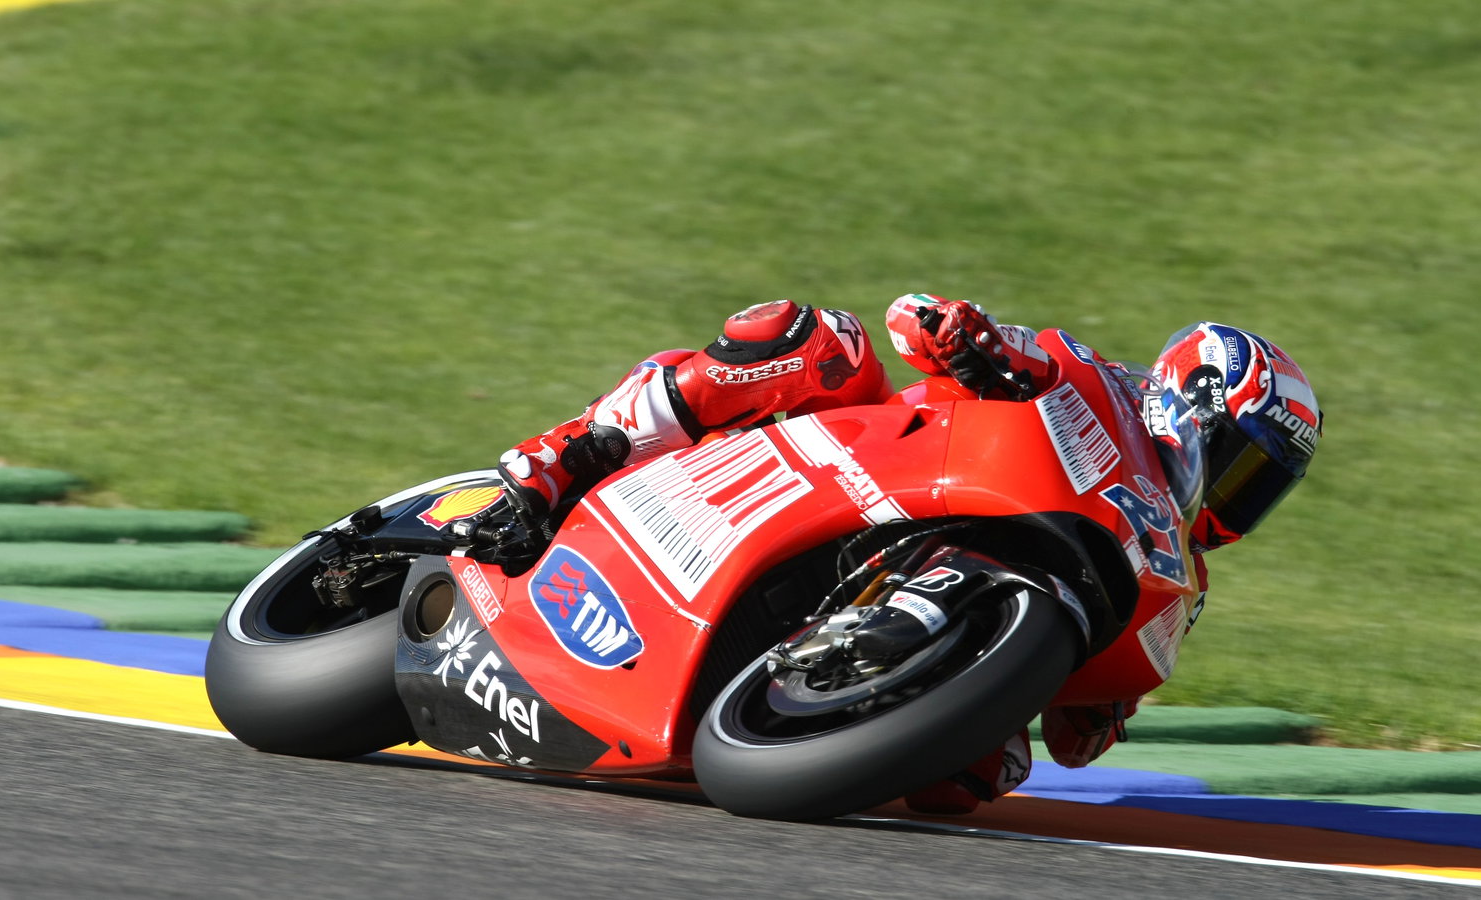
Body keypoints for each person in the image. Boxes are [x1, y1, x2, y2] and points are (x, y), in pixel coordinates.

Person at [495, 294, 1323, 815]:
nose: (1238, 494)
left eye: (1262, 486)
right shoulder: (1093, 378)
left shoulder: (1179, 580)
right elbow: (926, 321)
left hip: (1000, 577)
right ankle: (571, 452)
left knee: (975, 781)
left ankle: (799, 703)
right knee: (816, 340)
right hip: (881, 467)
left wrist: (1100, 702)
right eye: (1243, 461)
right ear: (1196, 400)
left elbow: (1075, 739)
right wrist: (963, 338)